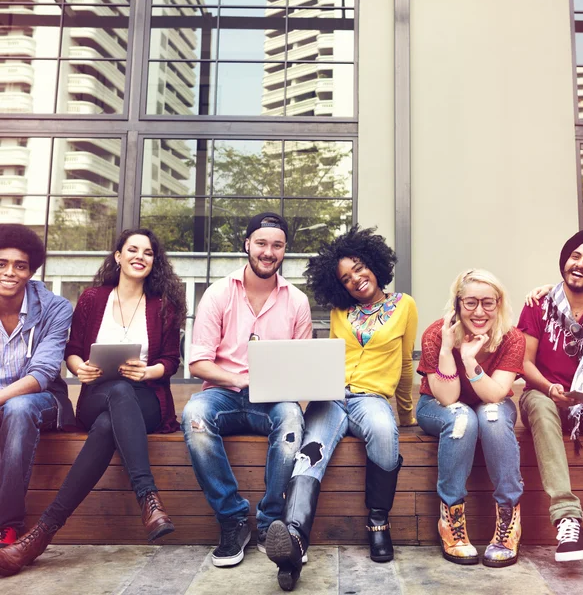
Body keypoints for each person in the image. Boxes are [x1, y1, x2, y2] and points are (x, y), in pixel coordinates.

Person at [0, 228, 186, 577]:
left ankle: (40, 536)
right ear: (117, 256)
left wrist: (146, 372)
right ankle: (148, 499)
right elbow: (72, 351)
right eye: (132, 249)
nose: (139, 257)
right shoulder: (92, 299)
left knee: (113, 413)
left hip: (146, 398)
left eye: (148, 253)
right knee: (113, 395)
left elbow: (172, 361)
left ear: (154, 262)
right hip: (95, 395)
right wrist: (79, 369)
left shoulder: (164, 306)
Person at [266, 226, 417, 591]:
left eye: (360, 268)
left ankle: (378, 523)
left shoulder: (404, 306)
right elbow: (330, 358)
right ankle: (294, 539)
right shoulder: (340, 311)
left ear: (375, 264)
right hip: (332, 397)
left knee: (384, 432)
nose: (356, 280)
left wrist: (407, 413)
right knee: (309, 452)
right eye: (346, 279)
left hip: (372, 399)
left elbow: (406, 365)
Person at [182, 212, 312, 569]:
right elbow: (198, 364)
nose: (268, 252)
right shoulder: (218, 294)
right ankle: (233, 519)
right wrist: (239, 379)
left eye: (277, 245)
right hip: (224, 393)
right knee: (194, 414)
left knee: (290, 418)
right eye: (261, 243)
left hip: (271, 400)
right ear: (247, 245)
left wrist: (289, 386)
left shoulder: (297, 301)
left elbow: (302, 366)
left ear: (284, 250)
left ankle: (271, 522)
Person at [416, 269, 525, 568]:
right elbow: (448, 398)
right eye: (471, 302)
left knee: (490, 416)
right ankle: (450, 520)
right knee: (462, 418)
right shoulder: (436, 333)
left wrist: (470, 360)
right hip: (436, 405)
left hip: (489, 401)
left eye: (488, 303)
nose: (479, 311)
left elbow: (496, 394)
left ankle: (508, 519)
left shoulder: (512, 338)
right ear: (457, 303)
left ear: (499, 304)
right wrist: (449, 349)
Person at [518, 228, 583, 563]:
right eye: (575, 256)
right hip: (544, 395)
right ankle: (567, 517)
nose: (580, 265)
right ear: (564, 261)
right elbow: (524, 363)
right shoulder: (539, 305)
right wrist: (550, 387)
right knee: (538, 402)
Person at [0, 225, 74, 549]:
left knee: (17, 407)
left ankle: (7, 525)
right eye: (1, 263)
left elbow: (42, 373)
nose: (10, 272)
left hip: (43, 399)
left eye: (20, 265)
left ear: (31, 271)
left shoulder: (55, 308)